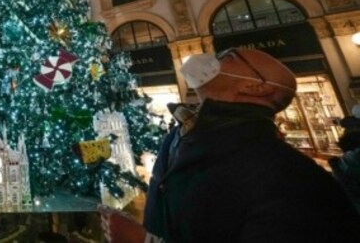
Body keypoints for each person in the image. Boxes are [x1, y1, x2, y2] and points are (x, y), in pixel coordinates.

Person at [100, 48, 360, 242]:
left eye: (229, 56)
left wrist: (142, 241)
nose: (212, 57)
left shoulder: (291, 177)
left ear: (255, 87)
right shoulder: (181, 135)